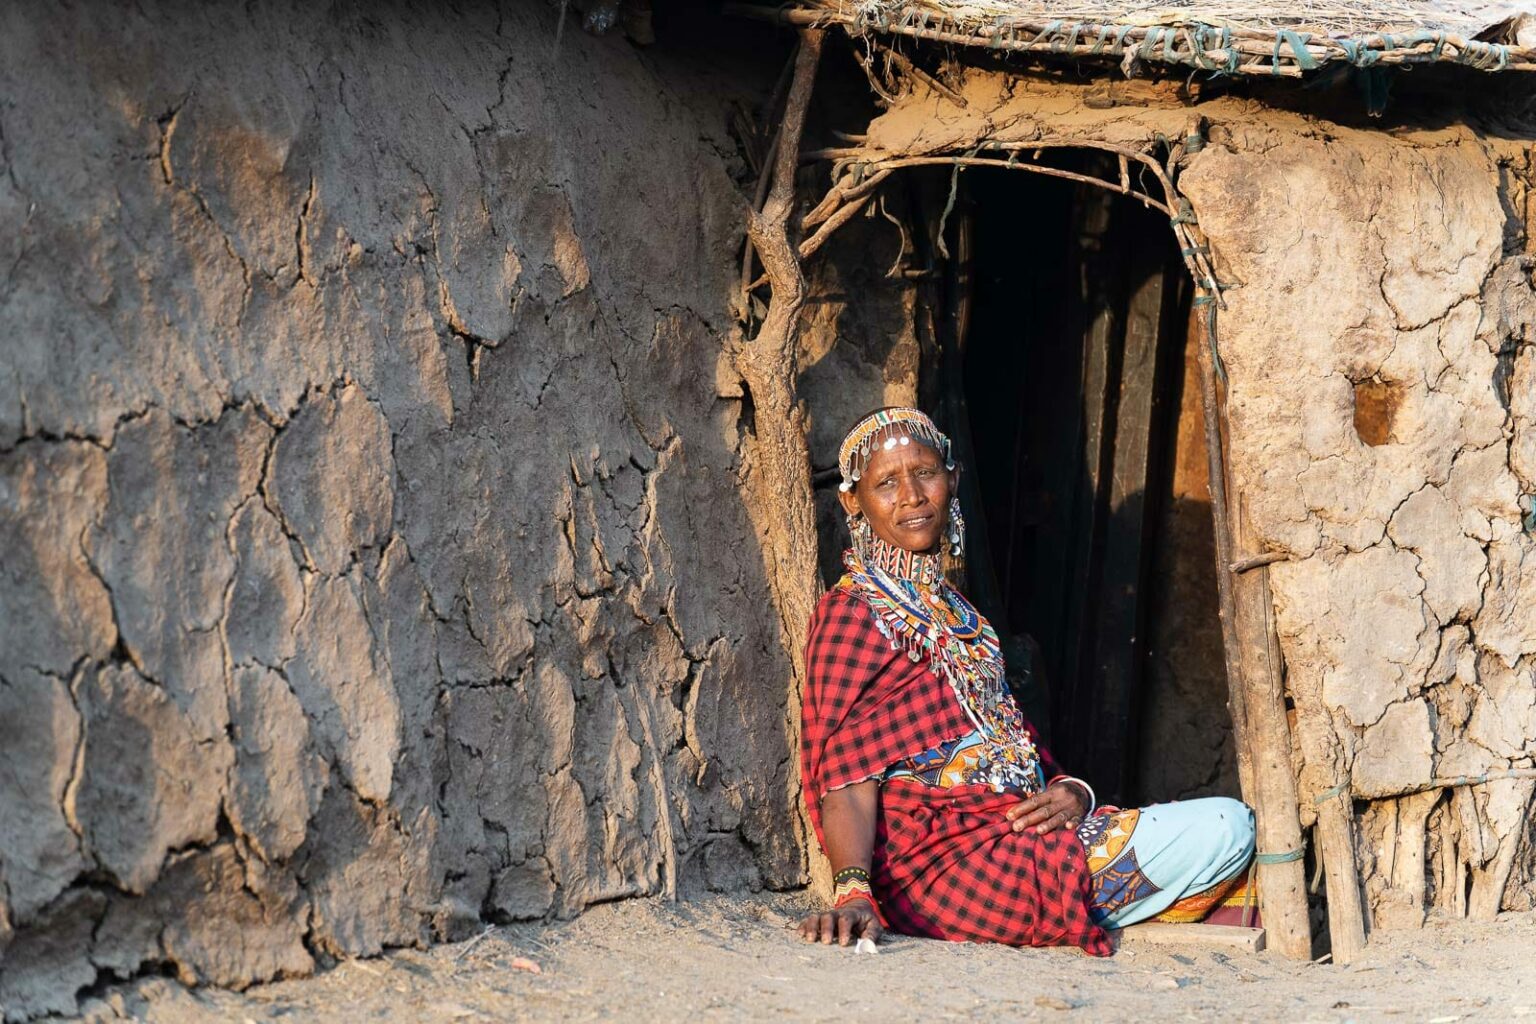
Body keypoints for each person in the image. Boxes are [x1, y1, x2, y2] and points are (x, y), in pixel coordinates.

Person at [797, 407, 1256, 952]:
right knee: (1229, 827)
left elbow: (1019, 745)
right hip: (946, 867)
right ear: (854, 501)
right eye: (887, 483)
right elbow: (845, 777)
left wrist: (1074, 793)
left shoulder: (965, 618)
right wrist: (854, 891)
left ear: (953, 478)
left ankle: (1085, 901)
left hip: (1017, 833)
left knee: (1231, 830)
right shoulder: (852, 613)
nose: (912, 496)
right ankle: (1079, 903)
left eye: (925, 473)